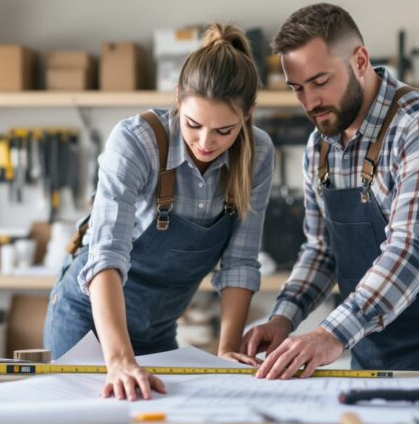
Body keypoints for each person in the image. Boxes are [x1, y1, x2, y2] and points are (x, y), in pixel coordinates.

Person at [241, 3, 419, 379]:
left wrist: (329, 333)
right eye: (297, 88)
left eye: (320, 82)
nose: (309, 103)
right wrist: (283, 318)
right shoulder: (320, 144)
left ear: (360, 60)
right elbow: (322, 250)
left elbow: (413, 252)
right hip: (366, 344)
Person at [45, 23, 274, 400]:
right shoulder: (135, 142)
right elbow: (106, 255)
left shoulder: (258, 155)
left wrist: (226, 353)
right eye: (193, 124)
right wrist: (118, 359)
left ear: (248, 114)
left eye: (224, 131)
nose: (205, 142)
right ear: (178, 98)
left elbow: (240, 263)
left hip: (158, 324)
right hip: (89, 320)